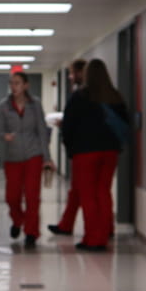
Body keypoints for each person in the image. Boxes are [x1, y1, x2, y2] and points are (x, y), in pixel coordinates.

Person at [60, 59, 130, 252]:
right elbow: (125, 125)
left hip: (86, 153)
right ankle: (106, 231)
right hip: (110, 152)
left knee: (88, 195)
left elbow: (68, 126)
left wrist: (70, 148)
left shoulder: (80, 97)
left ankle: (93, 239)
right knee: (103, 192)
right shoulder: (116, 97)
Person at [0, 71, 55, 249]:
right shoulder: (3, 106)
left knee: (32, 196)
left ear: (26, 85)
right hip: (12, 157)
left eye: (17, 83)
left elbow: (42, 131)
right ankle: (18, 220)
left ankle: (31, 233)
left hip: (33, 155)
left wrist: (47, 158)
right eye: (11, 83)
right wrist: (4, 135)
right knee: (12, 197)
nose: (14, 87)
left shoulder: (35, 105)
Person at [48, 58, 86, 236]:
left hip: (83, 151)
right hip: (90, 149)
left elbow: (75, 122)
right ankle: (66, 225)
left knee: (87, 193)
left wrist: (64, 124)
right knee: (80, 191)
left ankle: (95, 236)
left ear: (80, 73)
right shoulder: (99, 93)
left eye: (72, 73)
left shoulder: (82, 95)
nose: (70, 77)